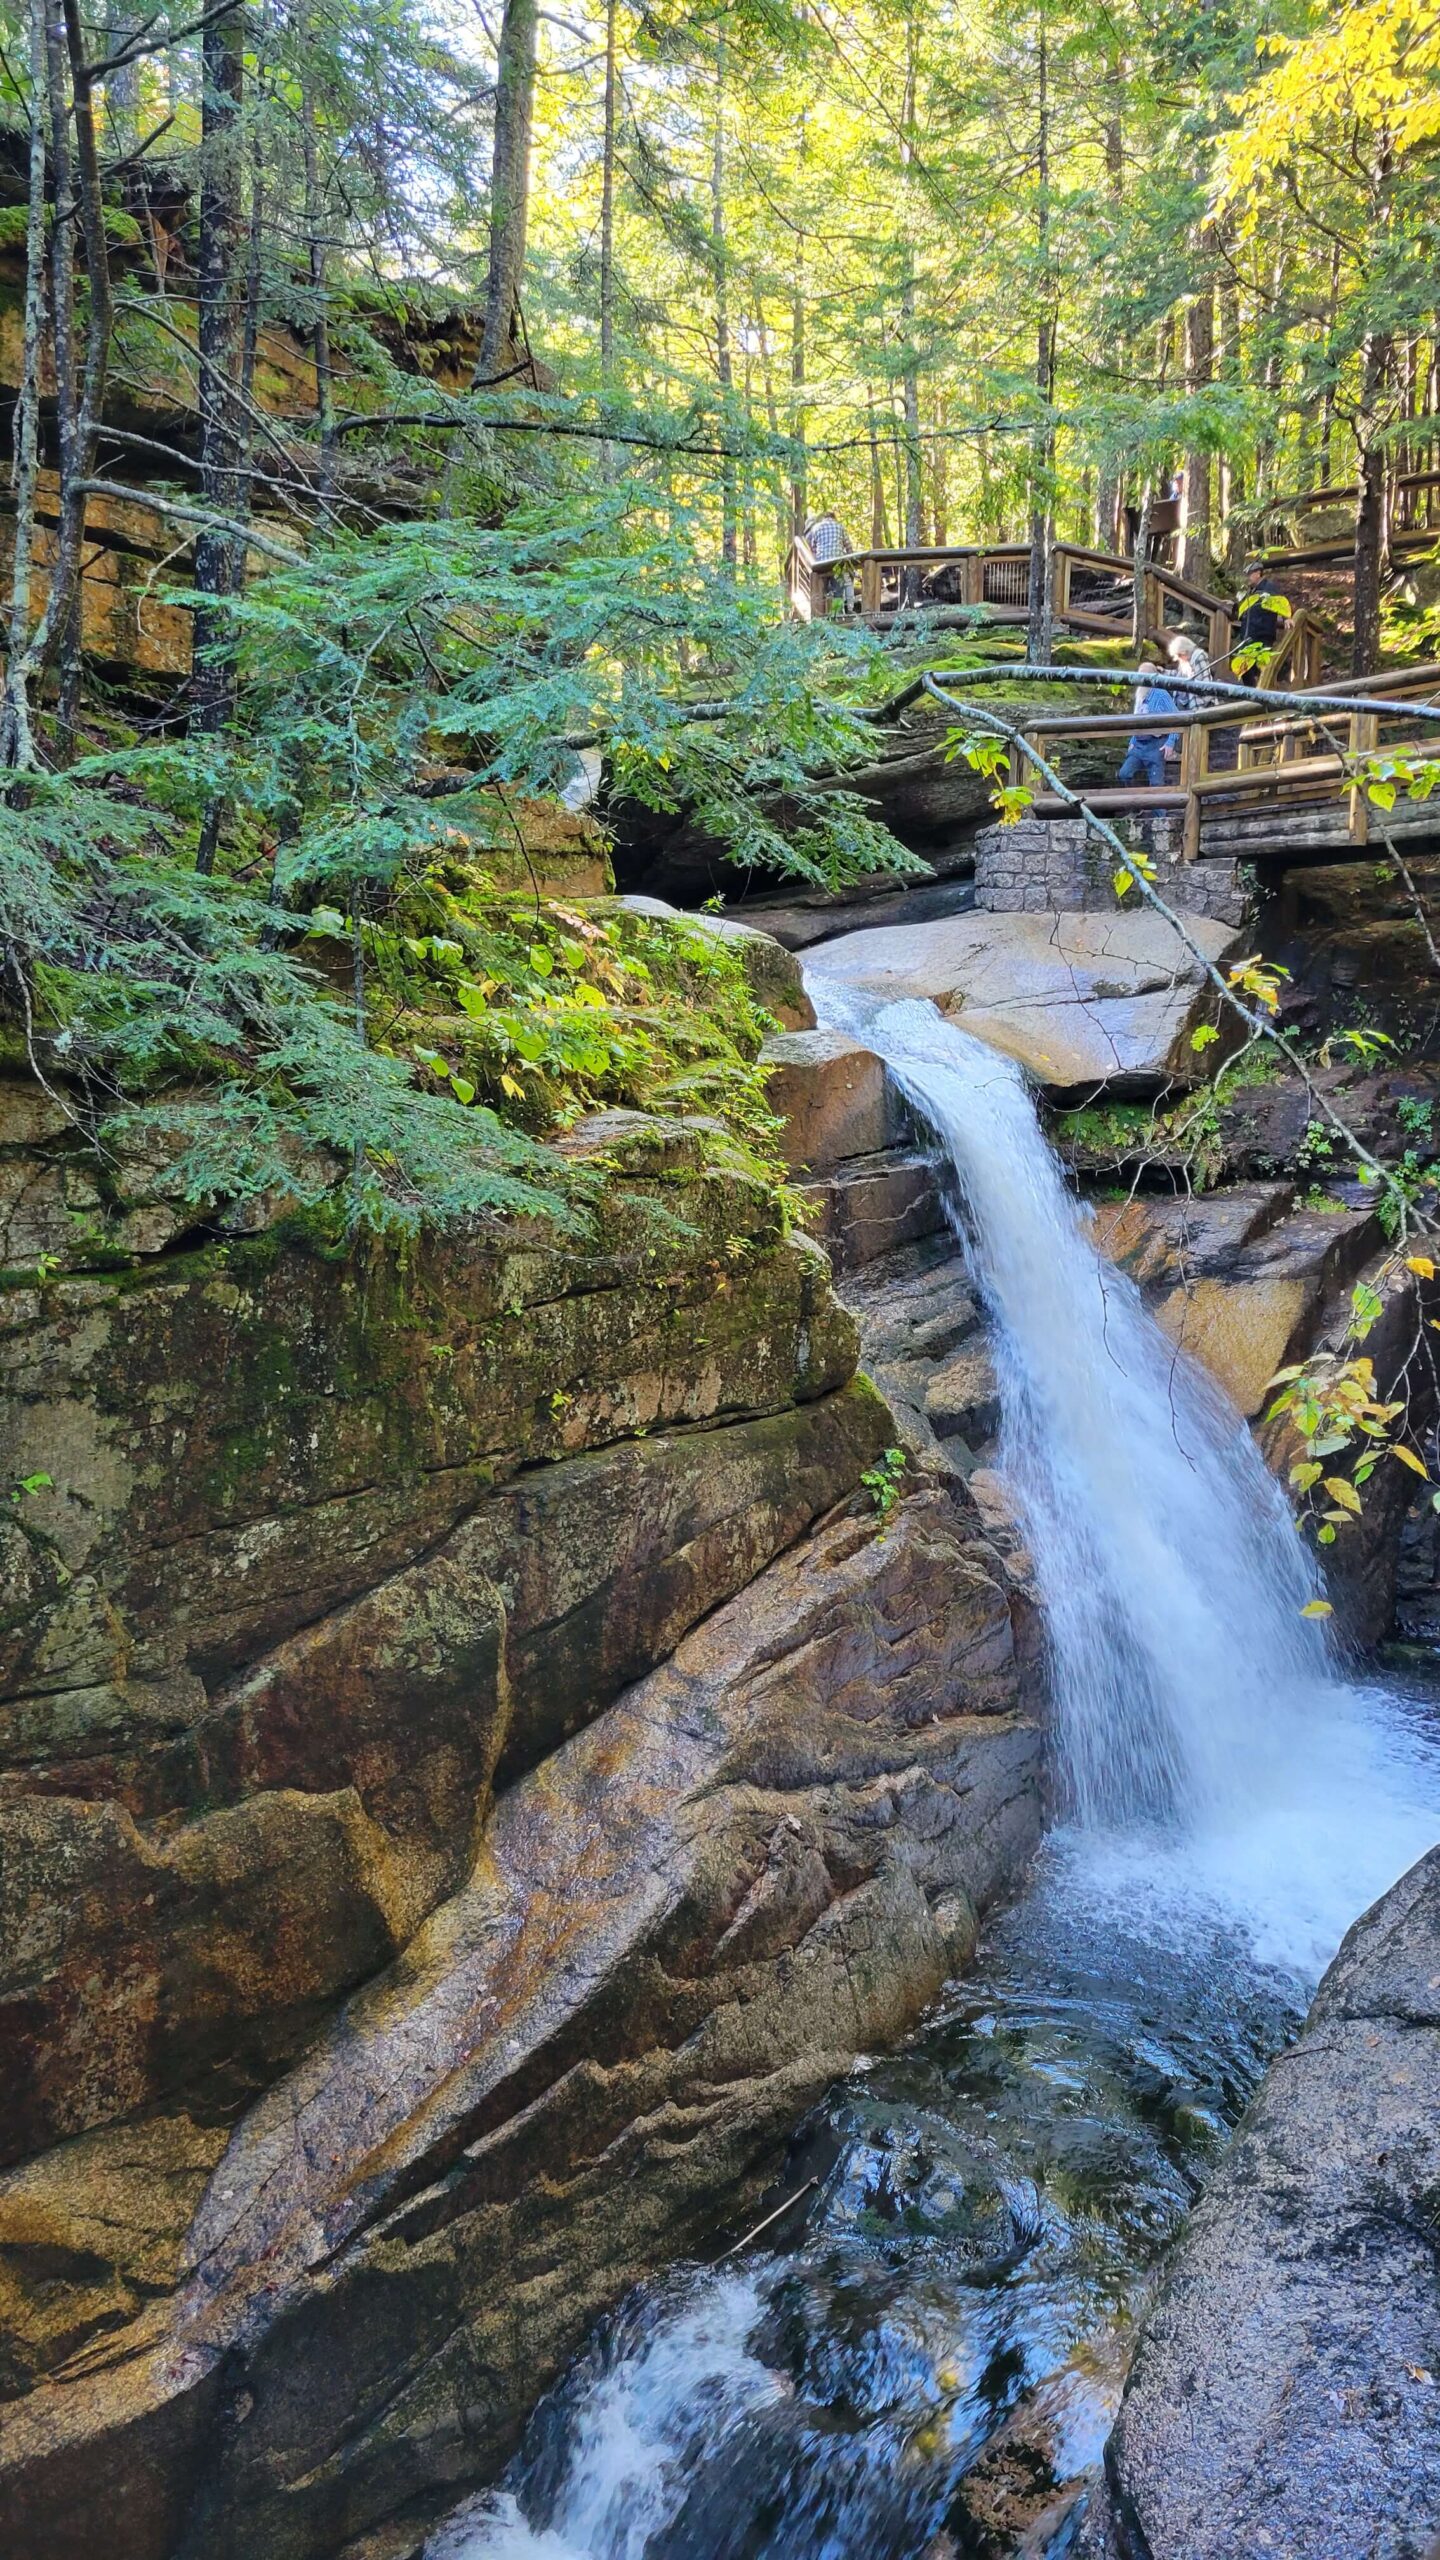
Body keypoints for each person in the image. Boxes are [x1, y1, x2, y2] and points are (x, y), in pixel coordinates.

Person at [1118, 663, 1180, 789]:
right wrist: (1133, 740)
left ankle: (1158, 808)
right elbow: (1137, 721)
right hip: (1139, 745)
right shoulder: (1140, 694)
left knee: (1156, 784)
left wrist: (1170, 742)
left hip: (1156, 744)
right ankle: (1134, 805)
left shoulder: (1161, 694)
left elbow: (1178, 718)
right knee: (1124, 774)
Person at [1232, 559, 1288, 684]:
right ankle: (1251, 690)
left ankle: (1260, 691)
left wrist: (1287, 618)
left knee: (1260, 665)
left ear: (1258, 573)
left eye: (1250, 574)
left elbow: (1280, 603)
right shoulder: (1250, 591)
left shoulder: (1268, 587)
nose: (1248, 578)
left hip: (1262, 634)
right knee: (1244, 664)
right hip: (1249, 635)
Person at [1166, 629, 1212, 705]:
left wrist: (1191, 675)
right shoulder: (1184, 660)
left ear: (1185, 651)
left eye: (1179, 655)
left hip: (1199, 703)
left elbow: (1204, 684)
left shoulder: (1199, 656)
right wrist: (1162, 671)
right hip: (1182, 700)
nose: (1178, 658)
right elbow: (1178, 675)